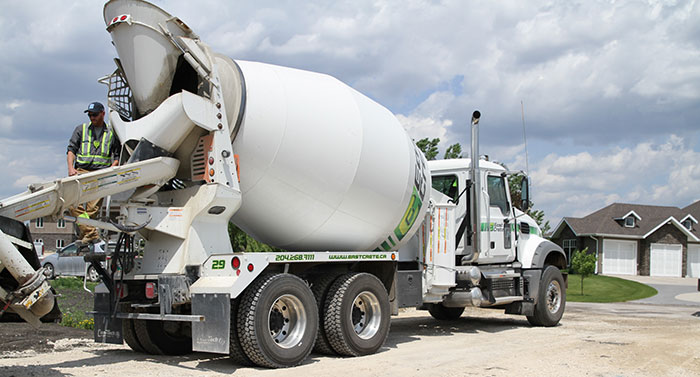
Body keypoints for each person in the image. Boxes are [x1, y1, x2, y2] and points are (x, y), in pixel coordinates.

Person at [66, 102, 120, 246]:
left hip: (100, 173)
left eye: (94, 115)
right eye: (90, 115)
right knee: (72, 203)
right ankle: (92, 233)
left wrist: (111, 170)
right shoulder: (81, 129)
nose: (92, 117)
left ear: (103, 113)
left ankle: (87, 235)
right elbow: (71, 150)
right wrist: (71, 169)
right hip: (81, 171)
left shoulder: (111, 132)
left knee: (92, 210)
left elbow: (116, 156)